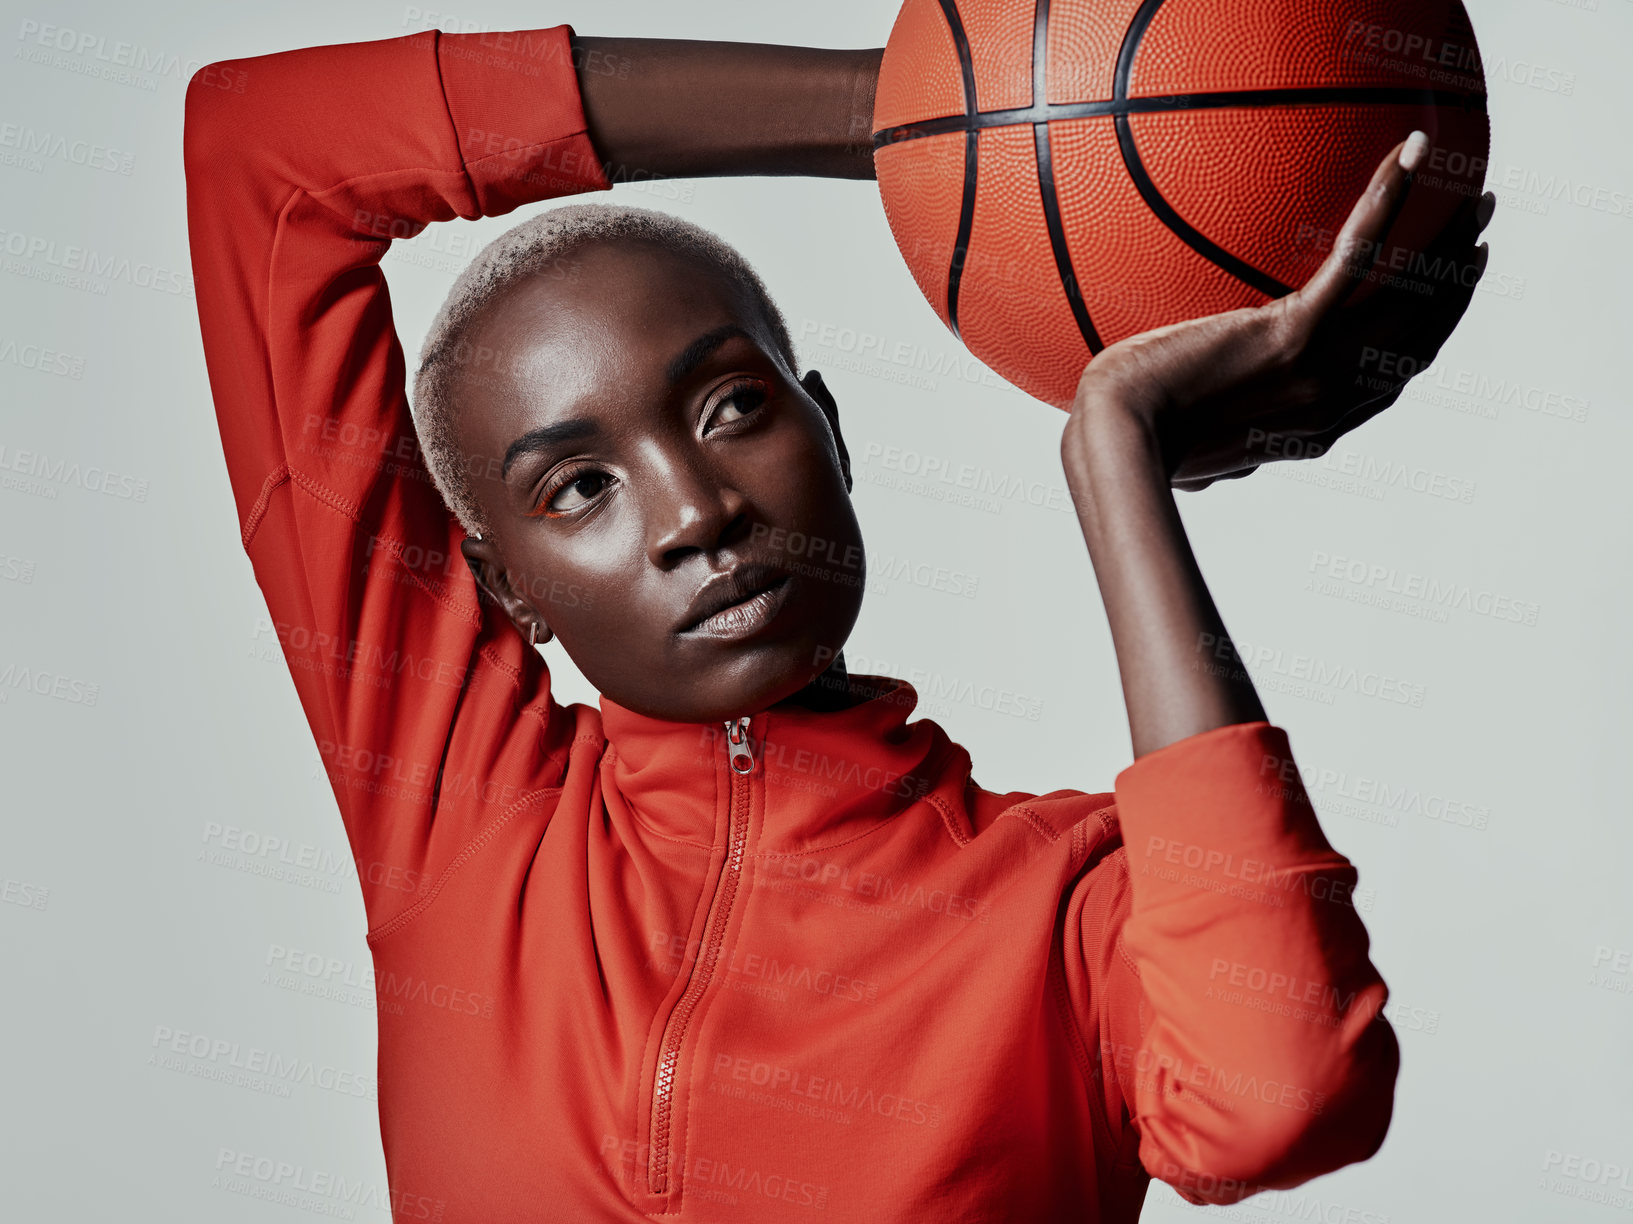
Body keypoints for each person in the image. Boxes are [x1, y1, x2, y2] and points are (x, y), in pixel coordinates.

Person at [182, 20, 1490, 1224]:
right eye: (578, 488)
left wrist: (1115, 455)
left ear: (833, 433)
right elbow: (271, 158)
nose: (693, 510)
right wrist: (927, 115)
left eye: (728, 409)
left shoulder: (1064, 906)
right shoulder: (460, 813)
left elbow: (1280, 1105)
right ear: (503, 585)